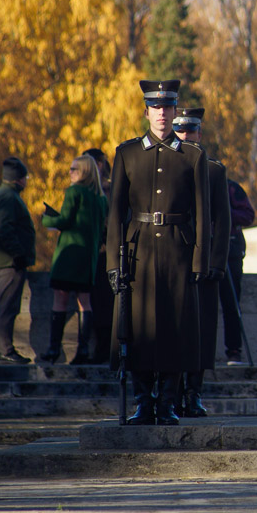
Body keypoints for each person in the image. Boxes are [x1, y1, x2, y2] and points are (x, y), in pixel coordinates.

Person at [107, 80, 212, 425]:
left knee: (175, 330)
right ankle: (143, 401)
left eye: (168, 107)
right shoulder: (128, 153)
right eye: (156, 107)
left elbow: (203, 215)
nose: (162, 114)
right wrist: (113, 261)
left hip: (177, 253)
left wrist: (199, 260)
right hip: (138, 254)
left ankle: (167, 401)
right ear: (147, 110)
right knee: (136, 330)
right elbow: (115, 213)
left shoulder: (193, 157)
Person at [172, 107, 230, 417]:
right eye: (179, 130)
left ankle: (193, 392)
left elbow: (223, 223)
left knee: (203, 332)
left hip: (204, 264)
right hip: (174, 260)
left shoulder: (214, 170)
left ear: (199, 133)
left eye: (190, 130)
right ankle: (171, 391)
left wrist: (217, 264)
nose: (184, 135)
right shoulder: (164, 167)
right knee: (173, 331)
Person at [39, 155, 108, 364]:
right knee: (84, 303)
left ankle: (53, 349)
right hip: (89, 257)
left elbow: (65, 220)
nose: (70, 172)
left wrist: (47, 219)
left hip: (69, 255)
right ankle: (83, 350)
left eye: (74, 168)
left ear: (85, 171)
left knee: (60, 299)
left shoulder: (74, 191)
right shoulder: (101, 198)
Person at [0, 156, 35, 364]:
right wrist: (17, 254)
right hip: (8, 262)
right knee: (7, 307)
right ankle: (4, 349)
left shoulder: (4, 195)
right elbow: (4, 228)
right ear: (18, 179)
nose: (26, 181)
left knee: (1, 306)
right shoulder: (8, 197)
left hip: (4, 261)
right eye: (24, 177)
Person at [82, 148, 114, 363]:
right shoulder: (87, 191)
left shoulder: (110, 192)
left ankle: (105, 349)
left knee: (104, 304)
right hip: (92, 254)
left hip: (106, 255)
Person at [222, 177, 255, 364]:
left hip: (230, 251)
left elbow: (248, 215)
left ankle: (234, 350)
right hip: (203, 250)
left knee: (231, 303)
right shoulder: (192, 184)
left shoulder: (230, 187)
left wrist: (224, 213)